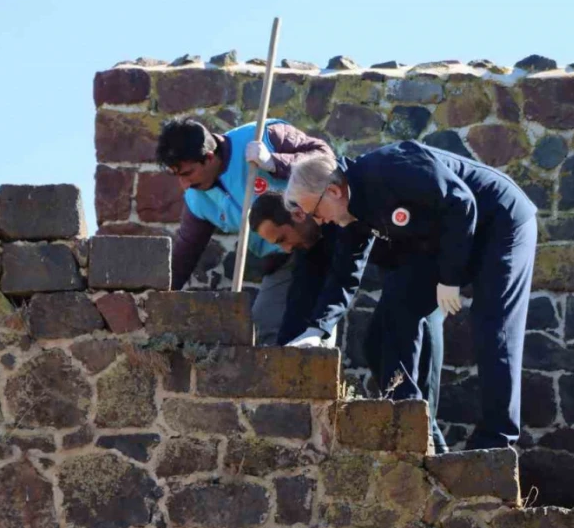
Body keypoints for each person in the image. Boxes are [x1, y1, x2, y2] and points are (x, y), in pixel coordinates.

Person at [283, 141, 537, 450]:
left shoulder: (391, 168)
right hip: (445, 240)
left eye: (315, 212)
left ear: (333, 192)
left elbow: (461, 201)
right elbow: (345, 273)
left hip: (499, 221)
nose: (319, 221)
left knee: (493, 327)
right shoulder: (351, 213)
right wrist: (317, 329)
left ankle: (495, 441)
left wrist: (450, 278)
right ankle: (418, 431)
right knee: (390, 320)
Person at [250, 191, 448, 453]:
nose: (286, 249)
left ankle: (432, 451)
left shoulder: (342, 217)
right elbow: (300, 301)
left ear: (298, 215)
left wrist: (318, 329)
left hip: (424, 264)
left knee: (409, 372)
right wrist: (288, 358)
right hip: (397, 276)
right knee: (375, 347)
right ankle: (427, 447)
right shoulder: (311, 246)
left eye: (284, 238)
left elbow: (343, 280)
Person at [155, 116, 330, 345]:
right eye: (177, 176)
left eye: (187, 174)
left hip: (317, 240)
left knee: (314, 326)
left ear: (208, 158)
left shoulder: (263, 135)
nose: (184, 185)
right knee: (264, 327)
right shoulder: (197, 201)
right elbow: (185, 253)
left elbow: (325, 159)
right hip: (280, 260)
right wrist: (157, 300)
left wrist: (275, 163)